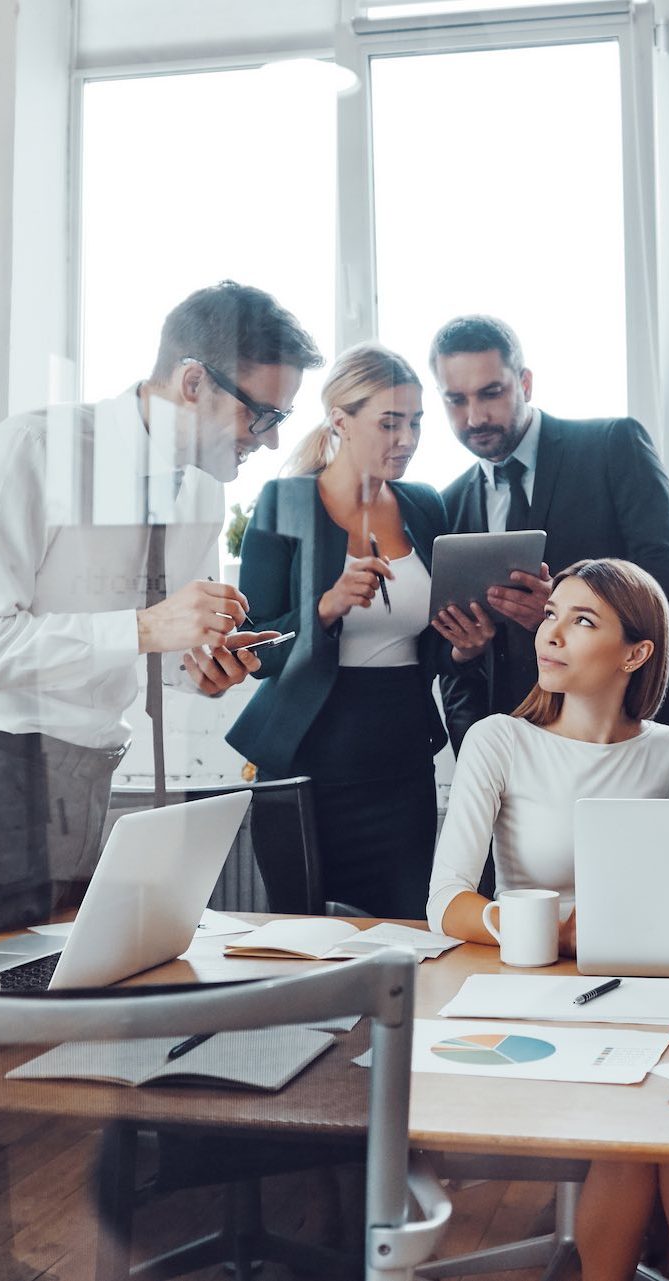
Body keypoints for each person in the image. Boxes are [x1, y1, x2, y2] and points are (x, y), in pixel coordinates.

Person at [0, 281, 323, 953]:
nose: (271, 443)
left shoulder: (202, 495)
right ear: (193, 381)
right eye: (261, 414)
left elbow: (162, 648)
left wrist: (202, 666)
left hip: (90, 771)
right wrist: (141, 628)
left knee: (59, 1012)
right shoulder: (34, 451)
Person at [426, 557, 669, 1281]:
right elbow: (445, 904)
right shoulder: (499, 739)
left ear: (635, 653)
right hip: (536, 987)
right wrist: (548, 931)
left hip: (638, 984)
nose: (550, 633)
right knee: (643, 1120)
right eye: (552, 613)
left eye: (581, 620)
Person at [227, 343, 492, 919]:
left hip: (402, 765)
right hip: (306, 764)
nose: (407, 439)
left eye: (416, 422)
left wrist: (464, 649)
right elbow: (252, 649)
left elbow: (426, 645)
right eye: (389, 423)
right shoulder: (285, 502)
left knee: (411, 937)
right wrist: (326, 606)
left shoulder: (424, 506)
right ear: (340, 421)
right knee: (301, 944)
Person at [431, 314, 669, 759]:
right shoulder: (446, 506)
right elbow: (453, 662)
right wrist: (471, 742)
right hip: (520, 754)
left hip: (635, 736)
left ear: (524, 383)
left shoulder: (612, 446)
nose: (475, 416)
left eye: (491, 393)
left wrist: (565, 608)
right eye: (456, 400)